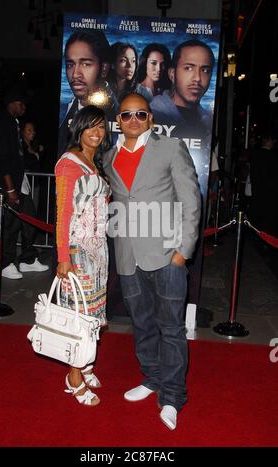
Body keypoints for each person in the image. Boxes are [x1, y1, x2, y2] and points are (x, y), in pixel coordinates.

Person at [103, 93, 201, 430]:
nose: (133, 119)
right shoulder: (110, 157)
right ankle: (152, 377)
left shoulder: (171, 148)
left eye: (140, 114)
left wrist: (183, 251)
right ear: (118, 119)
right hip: (129, 257)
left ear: (151, 119)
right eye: (126, 114)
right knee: (142, 324)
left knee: (171, 327)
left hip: (167, 255)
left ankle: (172, 396)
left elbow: (191, 199)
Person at [55, 105, 111, 406]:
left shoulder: (94, 162)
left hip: (98, 251)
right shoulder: (69, 163)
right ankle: (73, 377)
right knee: (81, 317)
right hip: (77, 253)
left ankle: (86, 363)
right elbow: (63, 215)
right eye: (91, 126)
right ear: (79, 129)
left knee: (94, 315)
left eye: (101, 127)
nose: (97, 133)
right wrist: (63, 257)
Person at [0, 91, 49, 279]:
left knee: (29, 219)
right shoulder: (2, 122)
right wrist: (10, 189)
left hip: (18, 184)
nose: (24, 108)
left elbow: (19, 158)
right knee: (10, 226)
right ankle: (5, 264)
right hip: (7, 186)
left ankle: (27, 260)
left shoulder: (12, 123)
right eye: (21, 104)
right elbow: (0, 157)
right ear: (11, 103)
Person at [58, 30, 116, 157]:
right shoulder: (66, 109)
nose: (75, 74)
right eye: (70, 65)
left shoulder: (118, 113)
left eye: (85, 64)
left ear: (104, 68)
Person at [151, 39, 215, 142]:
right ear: (172, 74)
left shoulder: (209, 121)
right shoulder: (149, 115)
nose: (197, 78)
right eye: (188, 68)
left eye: (205, 70)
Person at [249, 133, 278, 237]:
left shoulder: (255, 154)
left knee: (257, 212)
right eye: (272, 140)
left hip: (257, 188)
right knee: (268, 216)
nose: (273, 142)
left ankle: (256, 234)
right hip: (270, 191)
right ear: (268, 141)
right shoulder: (272, 156)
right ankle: (266, 237)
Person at [107, 42, 138, 110]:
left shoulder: (142, 92)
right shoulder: (104, 88)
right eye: (123, 61)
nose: (130, 66)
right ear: (113, 64)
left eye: (133, 61)